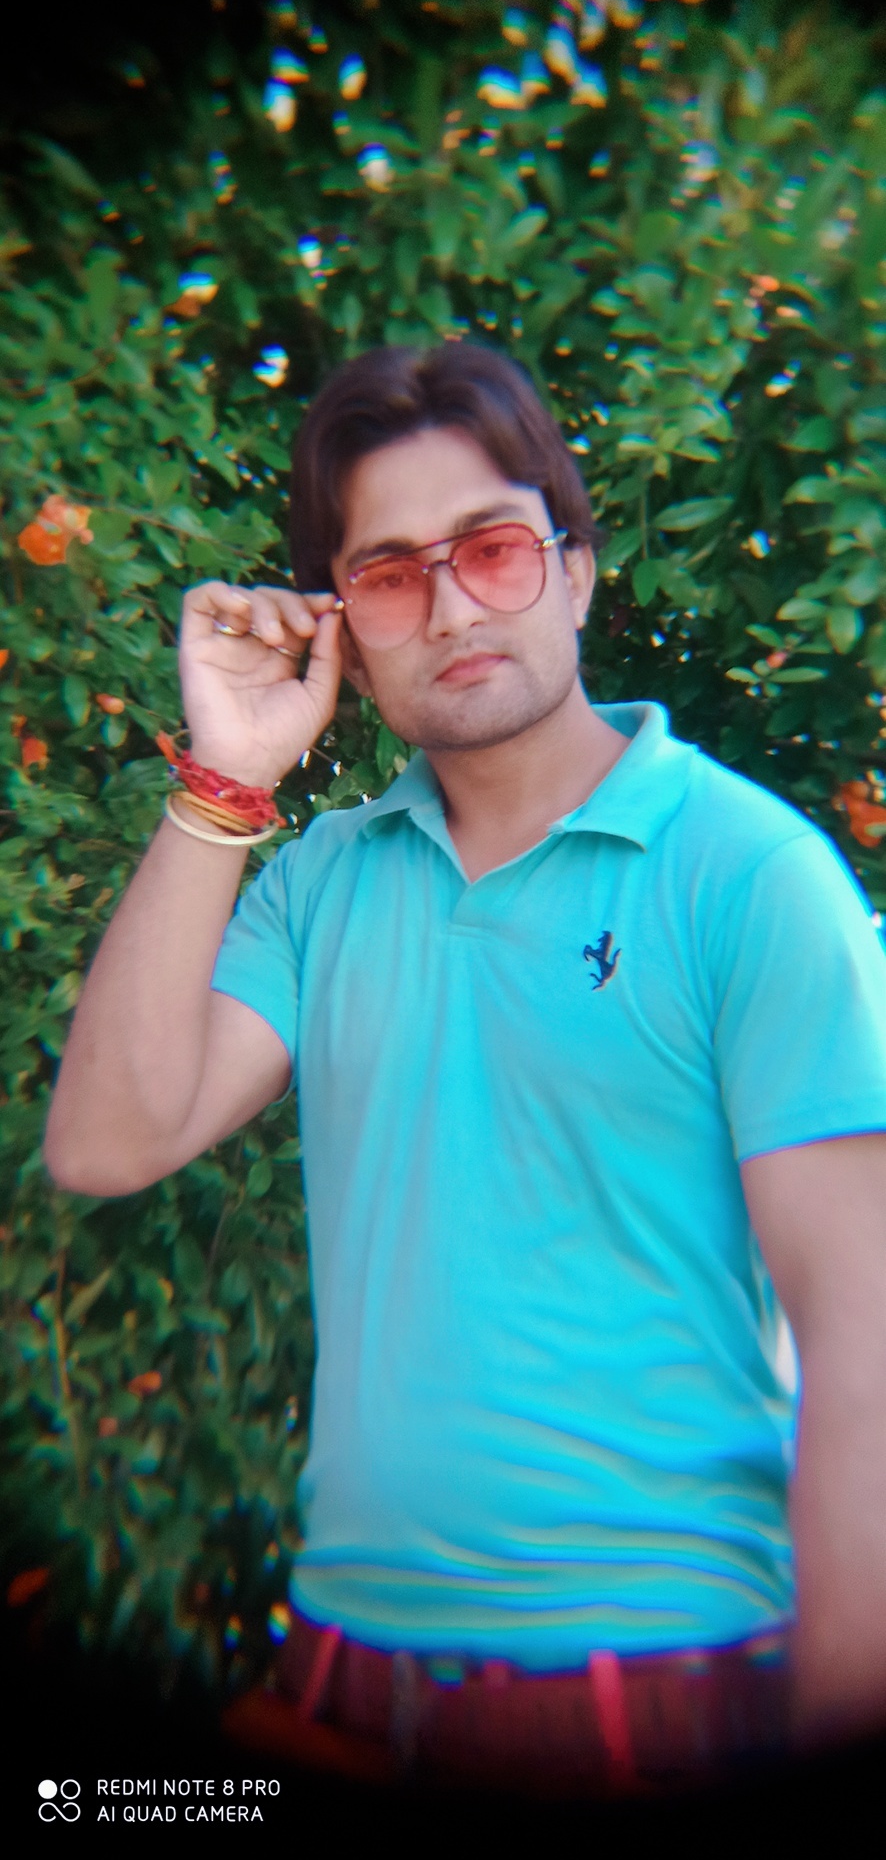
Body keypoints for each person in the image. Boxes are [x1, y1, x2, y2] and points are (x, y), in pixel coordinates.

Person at [44, 342, 886, 1801]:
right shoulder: (323, 881)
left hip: (650, 1688)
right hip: (339, 1671)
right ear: (341, 627)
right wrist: (224, 783)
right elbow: (107, 1143)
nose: (447, 606)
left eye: (492, 548)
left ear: (576, 572)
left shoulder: (747, 873)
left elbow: (866, 1352)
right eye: (388, 574)